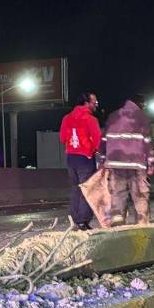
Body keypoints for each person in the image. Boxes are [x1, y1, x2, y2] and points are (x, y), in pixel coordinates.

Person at [103, 94, 154, 226]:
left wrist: (102, 159)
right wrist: (151, 162)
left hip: (115, 163)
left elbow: (103, 140)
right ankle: (142, 221)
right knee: (140, 194)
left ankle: (117, 220)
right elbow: (148, 142)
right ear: (140, 104)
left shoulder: (113, 116)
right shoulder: (142, 118)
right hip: (136, 163)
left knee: (118, 193)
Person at [59, 92, 101, 229]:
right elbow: (98, 141)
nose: (96, 104)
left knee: (76, 189)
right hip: (85, 158)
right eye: (94, 102)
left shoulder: (67, 118)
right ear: (86, 103)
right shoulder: (91, 120)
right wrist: (93, 150)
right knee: (88, 189)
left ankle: (75, 219)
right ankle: (83, 220)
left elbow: (62, 138)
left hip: (71, 157)